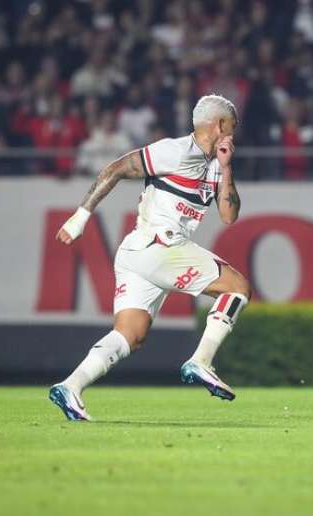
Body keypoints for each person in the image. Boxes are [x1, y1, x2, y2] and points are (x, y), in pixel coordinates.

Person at [49, 95, 251, 421]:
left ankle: (71, 386)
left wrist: (227, 170)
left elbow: (228, 215)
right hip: (160, 244)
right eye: (232, 127)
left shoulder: (216, 166)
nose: (233, 135)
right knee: (238, 288)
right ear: (218, 125)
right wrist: (81, 216)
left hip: (137, 254)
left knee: (131, 334)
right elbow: (116, 169)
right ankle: (201, 360)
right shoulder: (175, 150)